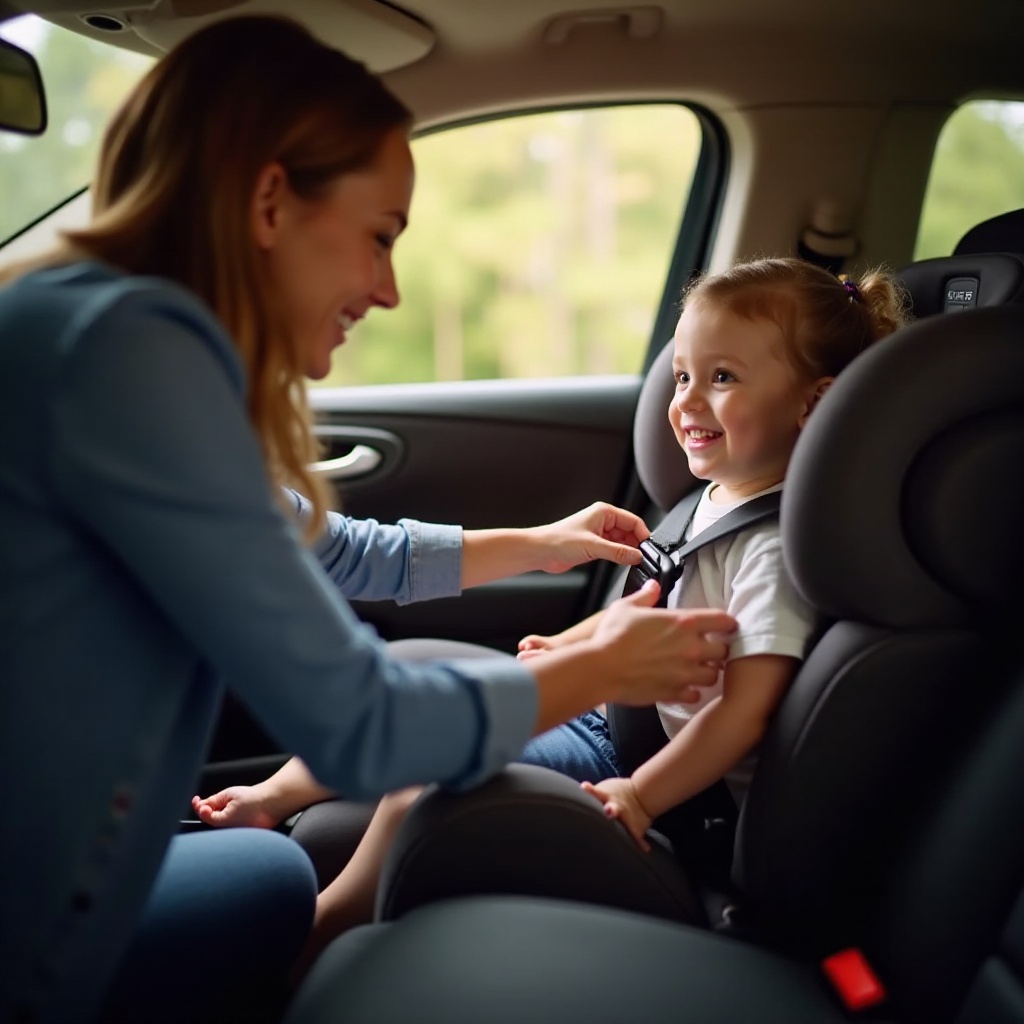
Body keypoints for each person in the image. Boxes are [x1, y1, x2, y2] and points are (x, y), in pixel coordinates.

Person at [0, 15, 741, 1024]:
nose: (388, 291)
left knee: (267, 863)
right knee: (271, 877)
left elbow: (334, 550)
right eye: (381, 236)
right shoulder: (137, 357)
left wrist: (545, 543)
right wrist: (600, 664)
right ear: (269, 200)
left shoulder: (80, 321)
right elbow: (362, 729)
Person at [194, 256, 909, 971]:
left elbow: (743, 713)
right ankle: (273, 796)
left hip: (656, 772)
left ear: (814, 403)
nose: (687, 402)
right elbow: (646, 609)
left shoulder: (774, 549)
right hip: (614, 720)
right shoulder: (712, 503)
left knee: (429, 768)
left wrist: (641, 794)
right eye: (684, 375)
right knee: (413, 671)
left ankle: (319, 934)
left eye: (723, 379)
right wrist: (565, 644)